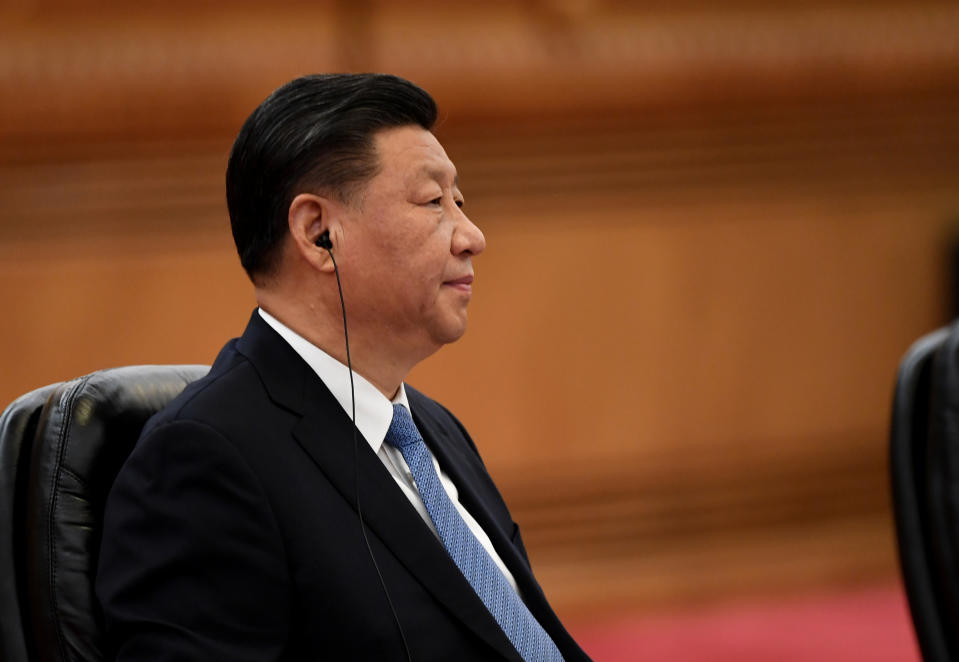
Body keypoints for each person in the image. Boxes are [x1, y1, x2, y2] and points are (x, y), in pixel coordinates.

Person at [96, 73, 591, 661]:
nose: (473, 236)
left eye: (462, 202)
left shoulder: (434, 431)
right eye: (434, 202)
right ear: (318, 232)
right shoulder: (202, 459)